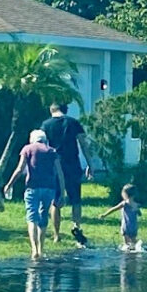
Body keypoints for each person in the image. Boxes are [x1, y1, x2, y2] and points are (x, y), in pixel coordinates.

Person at [4, 129, 67, 259]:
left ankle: (34, 249)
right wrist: (62, 192)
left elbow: (20, 169)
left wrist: (9, 184)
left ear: (32, 139)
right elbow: (60, 173)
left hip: (32, 187)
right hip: (49, 188)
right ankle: (41, 249)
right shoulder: (52, 151)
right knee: (43, 216)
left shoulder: (27, 149)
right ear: (44, 139)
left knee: (32, 217)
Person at [41, 103, 95, 245]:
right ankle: (76, 227)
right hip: (72, 164)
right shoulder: (73, 123)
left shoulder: (46, 125)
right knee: (76, 199)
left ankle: (56, 235)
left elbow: (42, 146)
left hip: (55, 164)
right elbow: (83, 143)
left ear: (51, 110)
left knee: (56, 201)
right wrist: (90, 164)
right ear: (65, 110)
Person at [99, 184, 142, 252]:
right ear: (134, 195)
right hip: (134, 226)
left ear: (125, 194)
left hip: (125, 226)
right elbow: (140, 214)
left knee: (126, 244)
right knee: (133, 243)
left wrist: (104, 215)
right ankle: (137, 248)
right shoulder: (136, 205)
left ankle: (127, 253)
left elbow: (113, 209)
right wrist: (136, 209)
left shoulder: (124, 203)